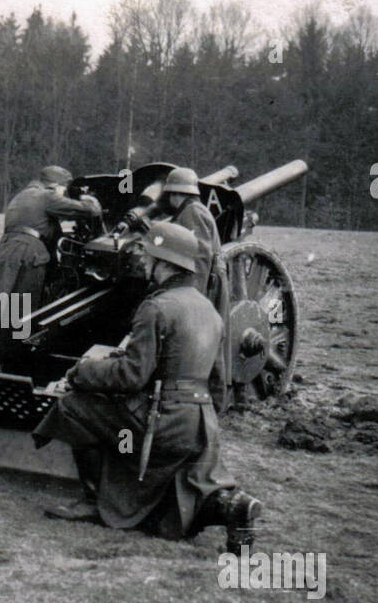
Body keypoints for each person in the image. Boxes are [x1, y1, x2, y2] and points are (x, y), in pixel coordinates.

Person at [32, 221, 261, 548]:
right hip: (198, 427)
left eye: (150, 256)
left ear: (165, 264)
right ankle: (232, 508)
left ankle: (93, 501)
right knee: (177, 492)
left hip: (160, 423)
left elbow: (130, 376)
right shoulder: (208, 310)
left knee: (73, 406)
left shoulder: (156, 307)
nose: (143, 262)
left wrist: (82, 372)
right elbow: (218, 384)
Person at [0, 165, 102, 393]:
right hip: (28, 256)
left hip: (6, 252)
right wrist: (89, 199)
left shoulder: (23, 196)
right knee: (20, 316)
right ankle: (8, 375)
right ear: (55, 186)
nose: (62, 194)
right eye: (63, 189)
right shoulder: (46, 196)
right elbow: (89, 211)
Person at [149, 167, 221, 288]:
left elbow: (200, 258)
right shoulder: (192, 209)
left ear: (174, 194)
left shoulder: (192, 212)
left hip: (199, 286)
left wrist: (192, 293)